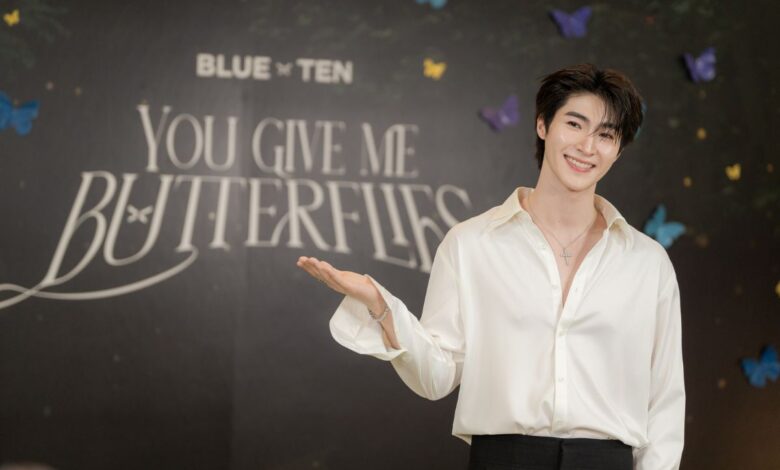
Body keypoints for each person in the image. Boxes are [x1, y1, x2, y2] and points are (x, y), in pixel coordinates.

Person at [296, 63, 685, 470]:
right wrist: (380, 305)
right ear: (542, 125)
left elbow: (665, 400)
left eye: (606, 135)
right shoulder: (471, 244)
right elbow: (436, 378)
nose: (587, 146)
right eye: (574, 124)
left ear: (618, 150)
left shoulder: (646, 262)